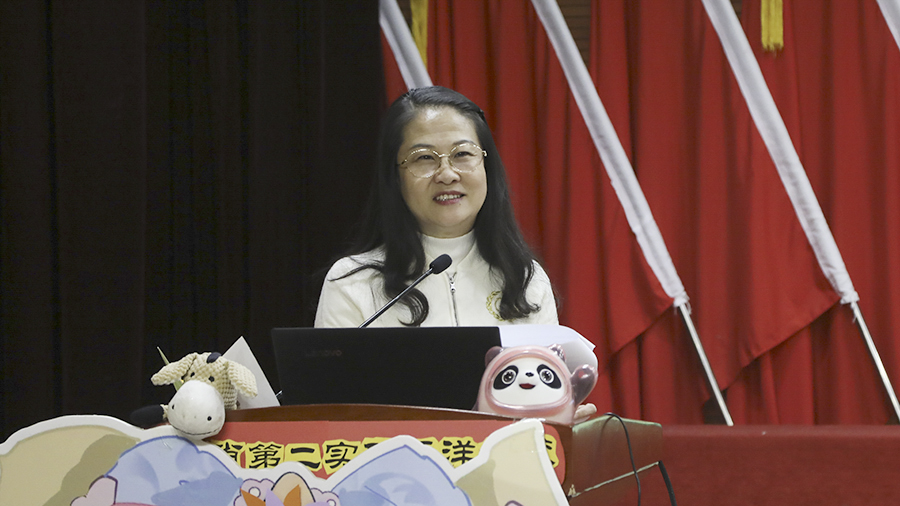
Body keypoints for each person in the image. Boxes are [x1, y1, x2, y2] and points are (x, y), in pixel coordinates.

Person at [314, 86, 558, 328]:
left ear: (487, 166)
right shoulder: (352, 284)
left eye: (462, 154)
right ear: (395, 177)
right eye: (424, 157)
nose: (447, 174)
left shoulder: (525, 280)